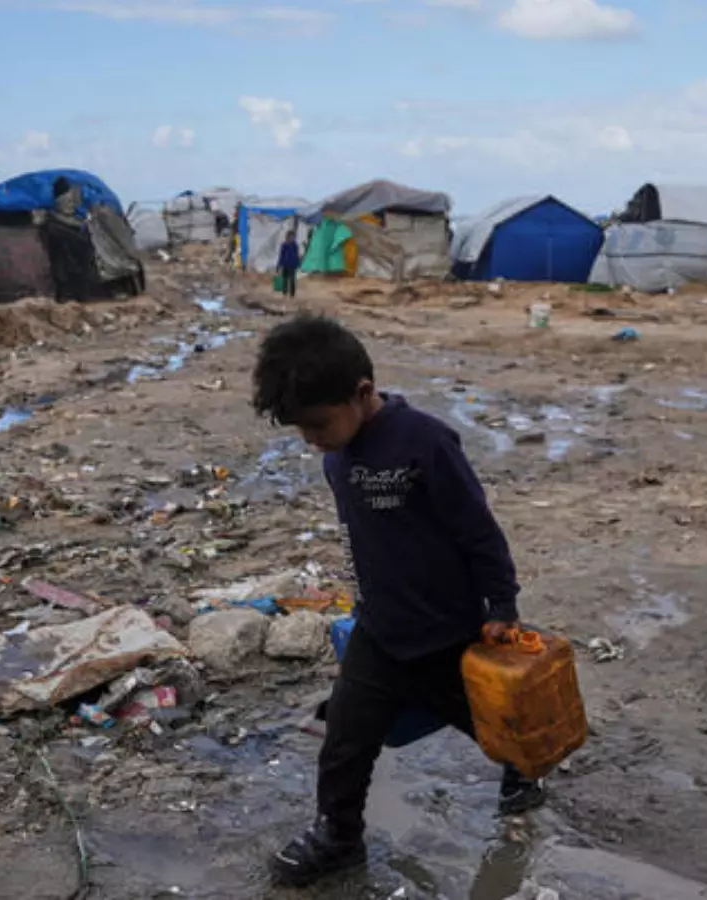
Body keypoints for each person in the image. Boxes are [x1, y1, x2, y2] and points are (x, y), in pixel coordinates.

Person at [252, 315, 544, 887]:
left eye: (317, 424)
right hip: (380, 631)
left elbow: (478, 532)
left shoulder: (426, 442)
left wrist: (502, 606)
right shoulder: (337, 456)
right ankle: (338, 836)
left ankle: (522, 769)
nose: (311, 439)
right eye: (300, 430)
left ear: (362, 393)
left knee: (486, 724)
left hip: (446, 632)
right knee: (345, 743)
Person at [278, 231, 301, 299]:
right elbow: (281, 255)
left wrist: (297, 263)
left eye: (293, 237)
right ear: (287, 237)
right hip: (285, 264)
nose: (292, 238)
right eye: (291, 237)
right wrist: (279, 264)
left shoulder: (295, 245)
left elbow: (297, 255)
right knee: (285, 279)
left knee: (292, 279)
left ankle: (292, 294)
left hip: (292, 265)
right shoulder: (284, 245)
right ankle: (284, 293)